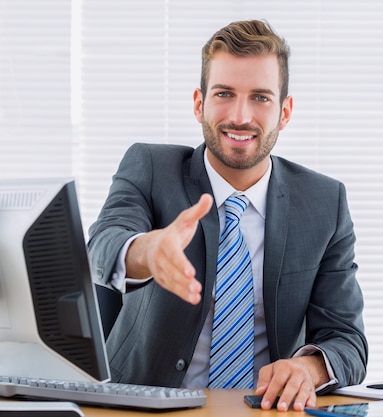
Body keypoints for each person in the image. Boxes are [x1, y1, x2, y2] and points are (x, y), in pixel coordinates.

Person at [87, 19, 367, 412]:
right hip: (142, 409)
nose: (240, 116)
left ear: (285, 112)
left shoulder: (324, 201)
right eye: (224, 93)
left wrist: (309, 368)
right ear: (199, 103)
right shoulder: (150, 167)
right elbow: (105, 241)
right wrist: (147, 251)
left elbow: (347, 340)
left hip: (263, 411)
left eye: (260, 97)